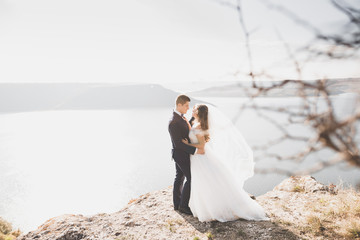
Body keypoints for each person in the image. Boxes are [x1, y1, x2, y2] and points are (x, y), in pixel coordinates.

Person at [182, 104, 269, 222]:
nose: (192, 110)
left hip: (201, 158)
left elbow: (201, 148)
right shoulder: (196, 124)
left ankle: (216, 208)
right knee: (205, 182)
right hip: (198, 158)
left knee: (206, 182)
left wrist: (187, 145)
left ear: (199, 112)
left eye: (194, 109)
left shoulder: (199, 127)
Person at [168, 95, 204, 215]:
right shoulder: (173, 122)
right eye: (186, 106)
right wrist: (195, 151)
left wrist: (194, 118)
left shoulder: (181, 118)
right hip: (180, 154)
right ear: (179, 105)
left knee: (180, 177)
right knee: (190, 178)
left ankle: (177, 204)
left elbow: (186, 128)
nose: (188, 108)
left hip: (181, 154)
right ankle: (183, 206)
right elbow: (178, 144)